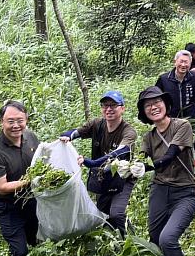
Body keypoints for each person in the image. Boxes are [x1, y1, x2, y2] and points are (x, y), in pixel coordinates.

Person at [136, 86, 195, 256]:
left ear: (165, 104)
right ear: (144, 112)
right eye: (148, 105)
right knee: (155, 236)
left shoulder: (181, 126)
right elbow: (138, 157)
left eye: (157, 102)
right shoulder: (148, 137)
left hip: (185, 192)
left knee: (168, 238)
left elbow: (170, 155)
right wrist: (126, 166)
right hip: (160, 190)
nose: (153, 106)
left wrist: (148, 166)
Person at [59, 90, 139, 236]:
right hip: (103, 178)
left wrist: (92, 163)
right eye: (105, 105)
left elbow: (120, 152)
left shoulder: (128, 132)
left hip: (122, 178)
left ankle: (131, 242)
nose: (109, 109)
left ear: (122, 108)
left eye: (113, 105)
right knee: (103, 216)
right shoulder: (97, 124)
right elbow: (76, 132)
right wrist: (66, 137)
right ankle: (115, 245)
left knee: (116, 213)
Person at [0, 100, 41, 256]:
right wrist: (31, 180)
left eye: (20, 120)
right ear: (1, 122)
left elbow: (41, 159)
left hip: (31, 201)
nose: (16, 125)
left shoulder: (30, 137)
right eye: (10, 121)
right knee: (20, 251)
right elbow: (2, 187)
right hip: (8, 206)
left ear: (26, 120)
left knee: (36, 241)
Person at [155, 50, 195, 152]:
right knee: (169, 151)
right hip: (171, 120)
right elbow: (156, 97)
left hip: (191, 120)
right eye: (181, 61)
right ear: (175, 62)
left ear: (190, 63)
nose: (183, 65)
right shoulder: (164, 79)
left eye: (186, 62)